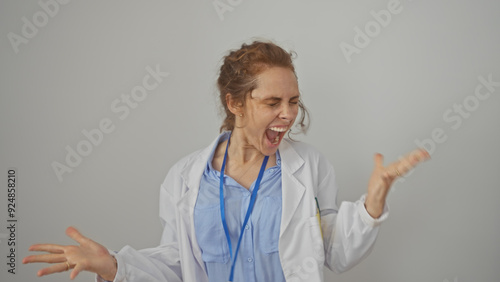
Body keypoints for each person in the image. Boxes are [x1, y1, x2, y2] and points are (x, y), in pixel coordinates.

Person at [23, 40, 430, 282]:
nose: (288, 114)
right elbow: (177, 265)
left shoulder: (310, 167)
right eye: (273, 102)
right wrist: (114, 266)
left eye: (293, 101)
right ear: (234, 103)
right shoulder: (184, 179)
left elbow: (333, 253)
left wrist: (372, 203)